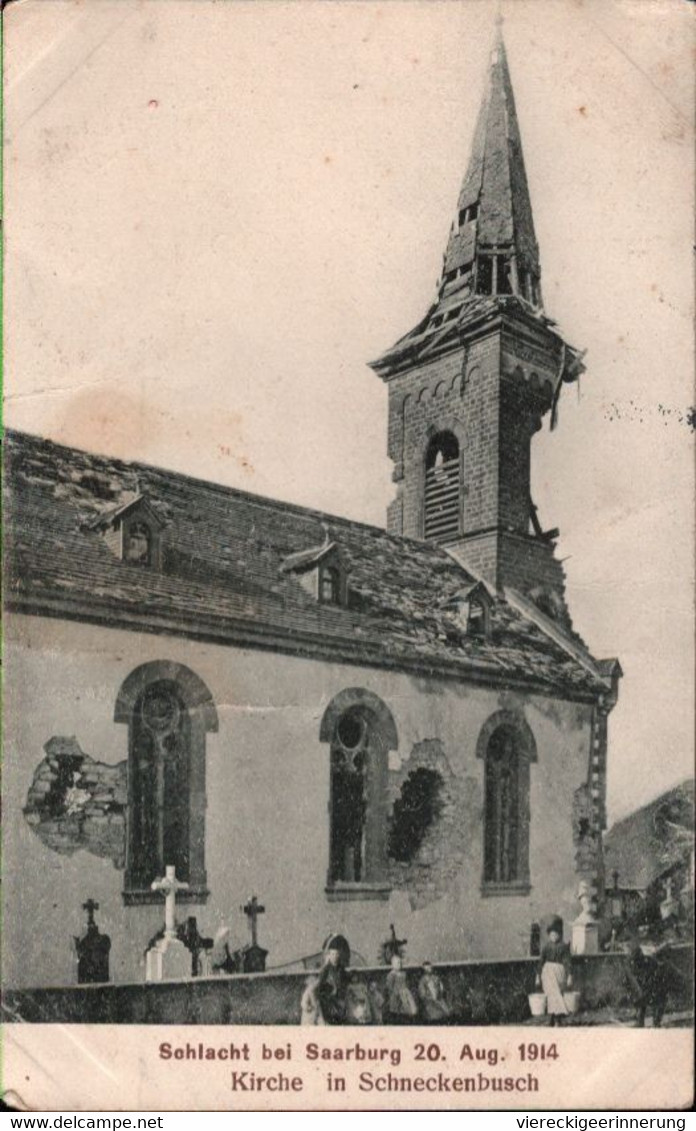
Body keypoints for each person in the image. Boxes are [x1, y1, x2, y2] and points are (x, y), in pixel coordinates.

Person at [537, 917, 572, 1026]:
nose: (554, 936)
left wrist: (570, 975)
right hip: (547, 973)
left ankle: (556, 1018)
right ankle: (553, 1018)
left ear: (559, 935)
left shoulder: (563, 947)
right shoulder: (546, 947)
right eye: (552, 934)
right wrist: (537, 976)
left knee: (556, 994)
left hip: (559, 973)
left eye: (556, 934)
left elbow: (567, 962)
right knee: (551, 995)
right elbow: (541, 962)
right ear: (549, 935)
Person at [316, 939, 350, 1025]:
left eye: (337, 954)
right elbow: (320, 987)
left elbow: (346, 982)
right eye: (333, 954)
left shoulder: (341, 968)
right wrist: (329, 993)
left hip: (340, 1001)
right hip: (329, 1002)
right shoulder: (325, 970)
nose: (335, 956)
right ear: (329, 956)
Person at [384, 953, 418, 1025]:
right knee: (397, 1010)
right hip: (396, 994)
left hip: (405, 993)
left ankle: (407, 1018)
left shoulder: (403, 973)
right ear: (392, 964)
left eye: (400, 963)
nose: (399, 964)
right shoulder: (391, 974)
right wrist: (394, 994)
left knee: (408, 1009)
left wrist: (406, 991)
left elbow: (406, 983)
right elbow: (389, 986)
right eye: (397, 963)